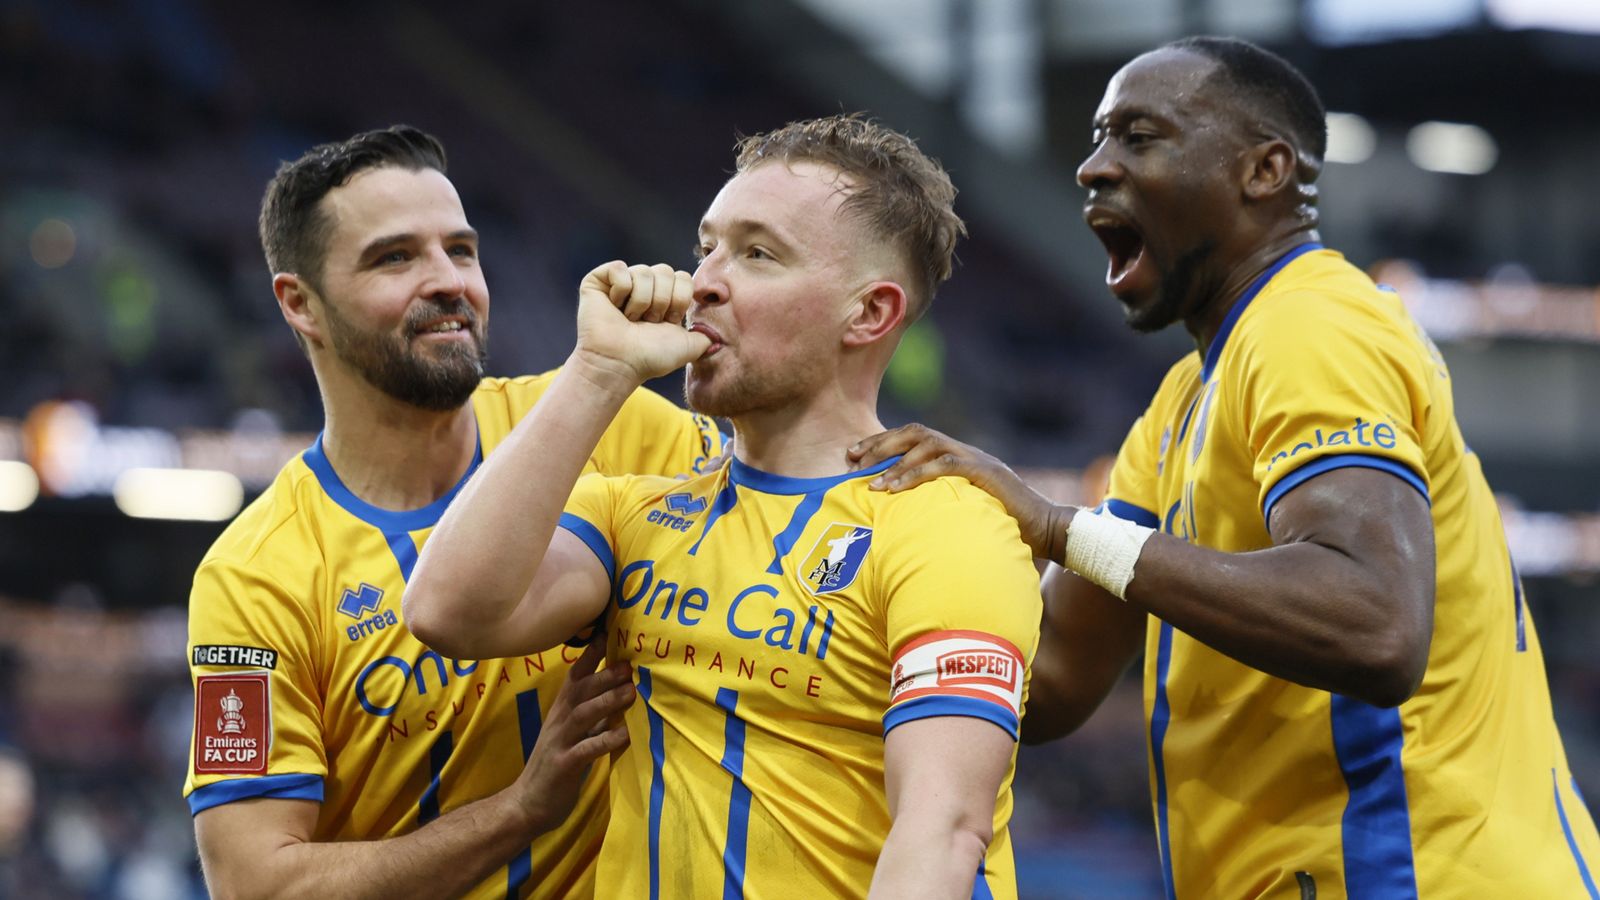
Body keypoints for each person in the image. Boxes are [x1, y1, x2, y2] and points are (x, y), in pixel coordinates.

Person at [848, 36, 1600, 899]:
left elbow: (1373, 623)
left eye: (1139, 137)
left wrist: (1057, 528)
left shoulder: (1309, 324)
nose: (1094, 167)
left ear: (1265, 171)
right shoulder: (1182, 400)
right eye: (1097, 139)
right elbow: (1052, 675)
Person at [404, 114, 1043, 899]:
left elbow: (942, 830)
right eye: (706, 246)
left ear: (869, 314)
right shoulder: (633, 515)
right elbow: (446, 611)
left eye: (757, 254)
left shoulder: (949, 528)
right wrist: (597, 370)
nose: (702, 280)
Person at [183, 126, 724, 900]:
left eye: (461, 250)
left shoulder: (615, 424)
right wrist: (518, 812)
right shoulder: (254, 579)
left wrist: (917, 462)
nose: (448, 281)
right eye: (394, 258)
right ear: (300, 304)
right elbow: (257, 886)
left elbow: (807, 511)